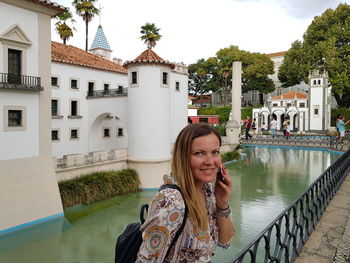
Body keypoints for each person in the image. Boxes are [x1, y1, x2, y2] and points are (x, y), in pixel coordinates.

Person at [136, 123, 234, 263]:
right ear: (183, 157)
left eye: (215, 152)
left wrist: (222, 204)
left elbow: (225, 241)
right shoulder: (171, 202)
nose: (210, 161)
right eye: (199, 153)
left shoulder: (205, 190)